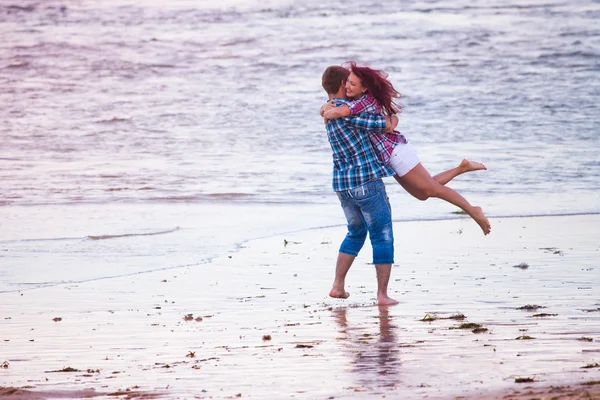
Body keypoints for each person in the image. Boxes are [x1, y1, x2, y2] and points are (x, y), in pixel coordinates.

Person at [321, 61, 491, 235]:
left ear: (364, 88)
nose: (348, 86)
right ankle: (461, 168)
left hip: (395, 151)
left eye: (353, 83)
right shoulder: (354, 101)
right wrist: (325, 108)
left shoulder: (361, 102)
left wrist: (326, 112)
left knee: (430, 189)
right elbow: (344, 109)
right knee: (423, 194)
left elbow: (346, 113)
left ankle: (473, 210)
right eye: (348, 82)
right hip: (386, 156)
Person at [321, 65, 400, 306]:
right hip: (365, 181)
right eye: (347, 83)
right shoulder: (348, 113)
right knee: (382, 235)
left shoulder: (329, 110)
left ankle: (338, 286)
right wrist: (393, 119)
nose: (349, 86)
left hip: (342, 184)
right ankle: (382, 295)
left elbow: (328, 110)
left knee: (356, 232)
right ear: (340, 85)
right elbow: (385, 125)